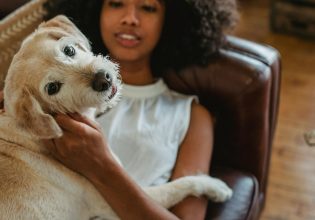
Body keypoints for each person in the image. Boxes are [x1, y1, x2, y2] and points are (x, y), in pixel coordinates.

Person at [1, 0, 237, 219]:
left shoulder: (190, 114)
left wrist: (101, 164)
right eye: (116, 3)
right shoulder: (41, 108)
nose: (130, 18)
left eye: (147, 7)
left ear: (171, 18)